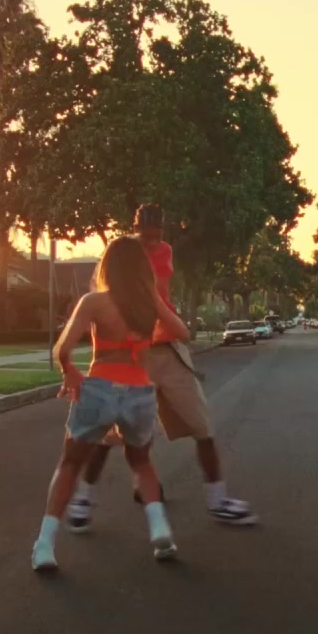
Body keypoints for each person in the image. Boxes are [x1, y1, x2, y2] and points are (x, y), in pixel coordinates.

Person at [65, 204, 256, 531]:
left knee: (201, 424)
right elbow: (104, 295)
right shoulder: (120, 255)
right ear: (134, 229)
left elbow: (157, 297)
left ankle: (219, 501)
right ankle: (83, 499)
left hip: (167, 349)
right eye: (146, 237)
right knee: (108, 433)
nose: (153, 243)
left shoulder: (165, 251)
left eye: (158, 236)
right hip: (132, 353)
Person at [32, 237, 191, 571]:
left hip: (99, 389)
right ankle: (160, 529)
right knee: (142, 463)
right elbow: (182, 332)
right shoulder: (148, 305)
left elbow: (63, 348)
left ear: (107, 266)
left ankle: (45, 545)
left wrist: (69, 371)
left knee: (70, 463)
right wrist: (154, 307)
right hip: (139, 393)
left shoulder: (94, 302)